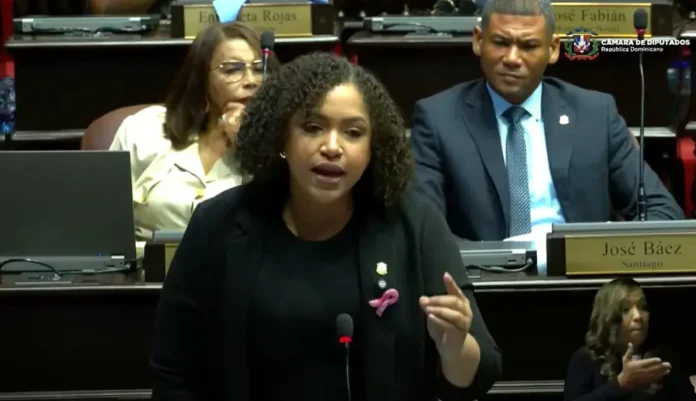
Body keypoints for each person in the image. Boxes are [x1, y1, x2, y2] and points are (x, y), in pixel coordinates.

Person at [150, 52, 502, 401]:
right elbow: (173, 373)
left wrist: (454, 348)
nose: (332, 147)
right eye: (313, 127)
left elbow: (477, 375)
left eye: (353, 133)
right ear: (282, 136)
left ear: (373, 147)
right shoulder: (218, 225)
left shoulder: (415, 223)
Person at [410, 0, 683, 242]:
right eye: (501, 43)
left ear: (552, 49)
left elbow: (664, 212)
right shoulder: (438, 119)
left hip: (578, 275)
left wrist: (603, 252)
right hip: (483, 277)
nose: (512, 58)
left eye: (528, 46)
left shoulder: (595, 114)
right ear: (478, 40)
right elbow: (422, 231)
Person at [109, 22, 279, 240]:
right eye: (232, 70)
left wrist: (249, 143)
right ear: (202, 79)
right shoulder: (144, 128)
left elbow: (279, 223)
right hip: (147, 259)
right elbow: (105, 213)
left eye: (258, 69)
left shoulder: (280, 144)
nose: (251, 81)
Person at [564, 278, 696, 400]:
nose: (638, 316)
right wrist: (622, 384)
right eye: (625, 309)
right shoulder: (586, 358)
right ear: (608, 317)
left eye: (643, 307)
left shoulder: (664, 358)